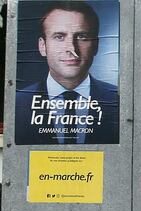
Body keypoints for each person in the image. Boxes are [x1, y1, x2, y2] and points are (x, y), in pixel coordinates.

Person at [15, 2, 119, 145]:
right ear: (42, 46)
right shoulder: (17, 104)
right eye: (59, 36)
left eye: (81, 36)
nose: (71, 48)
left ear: (95, 46)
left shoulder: (119, 101)